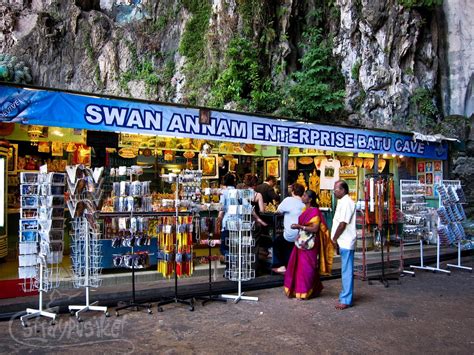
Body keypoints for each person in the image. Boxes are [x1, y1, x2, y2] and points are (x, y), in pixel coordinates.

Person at [283, 190, 334, 300]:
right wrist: (298, 232)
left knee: (307, 267)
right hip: (301, 242)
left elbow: (315, 229)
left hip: (310, 244)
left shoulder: (315, 211)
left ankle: (306, 291)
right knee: (299, 267)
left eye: (305, 195)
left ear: (310, 199)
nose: (302, 196)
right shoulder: (304, 210)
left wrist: (299, 227)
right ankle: (304, 289)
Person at [331, 180, 356, 310]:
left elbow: (342, 224)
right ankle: (345, 295)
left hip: (345, 240)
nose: (334, 191)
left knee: (347, 270)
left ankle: (346, 299)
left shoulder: (347, 203)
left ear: (343, 190)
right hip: (343, 240)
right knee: (345, 269)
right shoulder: (342, 202)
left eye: (336, 189)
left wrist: (334, 239)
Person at [274, 183, 305, 273]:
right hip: (301, 235)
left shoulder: (288, 200)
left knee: (277, 242)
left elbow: (278, 211)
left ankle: (279, 265)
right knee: (289, 245)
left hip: (290, 234)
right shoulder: (304, 204)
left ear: (293, 192)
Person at [218, 173, 237, 262]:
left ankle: (229, 264)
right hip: (238, 222)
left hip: (227, 222)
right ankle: (234, 264)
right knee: (234, 246)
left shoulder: (224, 192)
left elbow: (221, 208)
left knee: (224, 247)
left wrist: (219, 218)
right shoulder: (238, 192)